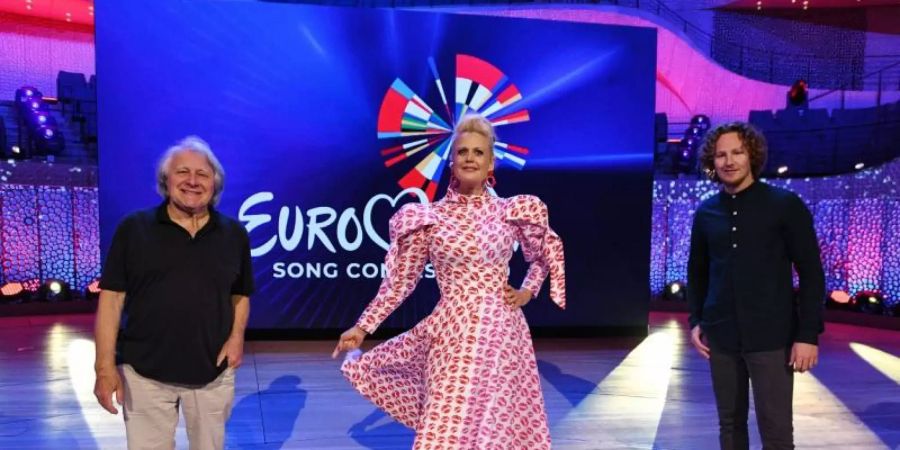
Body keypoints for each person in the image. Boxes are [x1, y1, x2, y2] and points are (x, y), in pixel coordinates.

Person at [333, 114, 566, 449]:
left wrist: (528, 291)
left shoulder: (512, 211)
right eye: (463, 152)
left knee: (494, 426)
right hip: (452, 332)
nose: (470, 157)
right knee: (444, 422)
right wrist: (363, 327)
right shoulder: (429, 218)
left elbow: (544, 255)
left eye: (478, 152)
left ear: (491, 164)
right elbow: (400, 282)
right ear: (452, 161)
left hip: (501, 335)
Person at [93, 136, 254, 450]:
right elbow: (111, 301)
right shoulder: (133, 229)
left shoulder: (234, 234)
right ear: (166, 180)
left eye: (202, 174)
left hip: (213, 373)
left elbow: (241, 294)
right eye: (182, 172)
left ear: (215, 184)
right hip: (144, 374)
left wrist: (236, 338)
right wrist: (104, 368)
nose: (192, 181)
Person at [687, 122, 825, 450]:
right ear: (712, 161)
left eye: (737, 152)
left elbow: (811, 272)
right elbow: (698, 273)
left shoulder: (784, 205)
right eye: (721, 154)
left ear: (752, 156)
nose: (728, 161)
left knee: (775, 430)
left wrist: (807, 336)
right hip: (721, 337)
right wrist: (696, 321)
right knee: (730, 425)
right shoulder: (706, 213)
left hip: (772, 338)